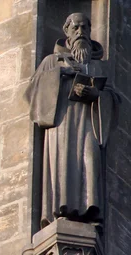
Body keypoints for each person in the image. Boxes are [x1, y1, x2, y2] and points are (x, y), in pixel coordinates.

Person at [25, 12, 119, 228]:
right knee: (63, 162)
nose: (80, 32)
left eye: (85, 28)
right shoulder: (52, 61)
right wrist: (61, 75)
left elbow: (113, 99)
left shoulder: (98, 66)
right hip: (62, 124)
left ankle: (90, 214)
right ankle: (60, 212)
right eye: (75, 28)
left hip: (88, 125)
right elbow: (33, 92)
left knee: (89, 159)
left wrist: (97, 96)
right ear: (66, 30)